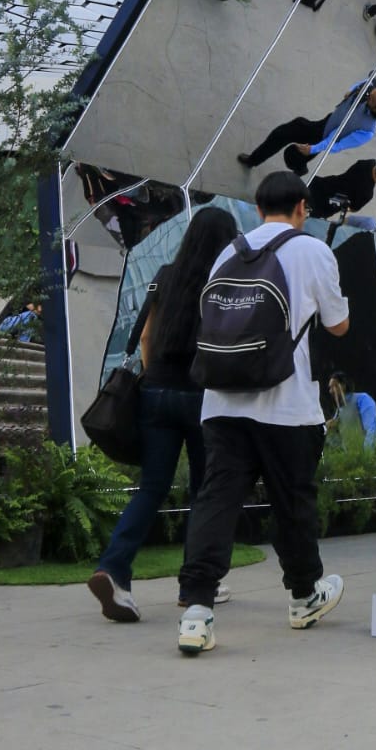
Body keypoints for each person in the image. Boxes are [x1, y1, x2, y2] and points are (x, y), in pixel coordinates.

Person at [176, 172, 350, 656]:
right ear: (302, 208)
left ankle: (196, 612)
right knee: (292, 501)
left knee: (216, 499)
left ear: (257, 209)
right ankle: (304, 596)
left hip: (222, 400)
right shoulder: (313, 250)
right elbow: (338, 325)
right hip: (286, 403)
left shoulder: (227, 253)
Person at [88, 206, 239, 624]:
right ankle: (195, 586)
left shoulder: (165, 275)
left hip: (156, 393)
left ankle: (113, 569)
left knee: (151, 488)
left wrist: (155, 377)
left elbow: (146, 337)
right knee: (204, 493)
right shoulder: (223, 281)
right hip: (201, 397)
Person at [238, 75, 376, 175]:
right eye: (371, 93)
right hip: (325, 122)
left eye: (371, 99)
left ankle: (300, 167)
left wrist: (314, 149)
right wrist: (350, 90)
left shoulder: (367, 131)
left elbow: (337, 143)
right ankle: (253, 160)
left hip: (323, 138)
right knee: (282, 133)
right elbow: (364, 83)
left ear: (375, 109)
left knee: (292, 156)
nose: (368, 96)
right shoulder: (369, 92)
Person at [307, 156, 376, 219]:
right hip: (323, 205)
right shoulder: (367, 193)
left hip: (321, 184)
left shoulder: (367, 163)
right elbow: (352, 208)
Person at [327, 371, 376, 446]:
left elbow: (371, 429)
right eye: (330, 388)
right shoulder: (338, 411)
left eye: (334, 386)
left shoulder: (362, 399)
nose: (331, 391)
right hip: (353, 453)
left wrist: (367, 452)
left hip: (372, 452)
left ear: (343, 386)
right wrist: (329, 431)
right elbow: (338, 443)